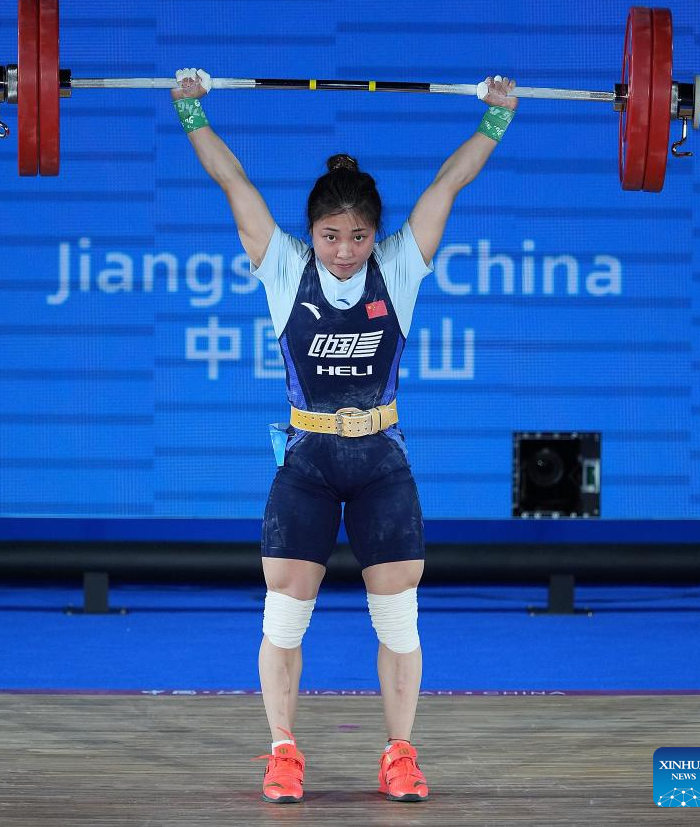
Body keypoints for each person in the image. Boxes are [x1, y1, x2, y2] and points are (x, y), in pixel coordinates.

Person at [171, 69, 518, 803]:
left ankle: (400, 754)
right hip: (307, 464)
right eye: (331, 236)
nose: (344, 250)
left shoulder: (399, 266)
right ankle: (282, 752)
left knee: (398, 618)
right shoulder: (281, 266)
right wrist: (192, 110)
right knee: (284, 615)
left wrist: (494, 119)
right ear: (312, 232)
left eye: (358, 235)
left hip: (380, 465)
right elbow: (232, 181)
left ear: (374, 232)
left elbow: (447, 186)